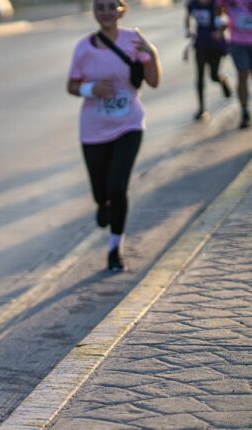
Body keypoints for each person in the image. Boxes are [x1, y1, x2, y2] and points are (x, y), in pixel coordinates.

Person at [66, 0, 162, 271]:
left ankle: (114, 249)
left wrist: (152, 55)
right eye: (100, 7)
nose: (105, 12)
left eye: (111, 6)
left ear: (122, 10)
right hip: (93, 130)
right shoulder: (84, 47)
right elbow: (71, 85)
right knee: (101, 192)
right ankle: (102, 204)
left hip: (129, 125)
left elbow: (153, 82)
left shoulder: (135, 40)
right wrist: (91, 89)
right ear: (94, 12)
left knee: (118, 187)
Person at [185, 0, 233, 120]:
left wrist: (220, 31)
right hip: (201, 43)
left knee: (213, 76)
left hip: (215, 44)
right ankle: (201, 109)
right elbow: (187, 17)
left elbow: (225, 21)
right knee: (199, 76)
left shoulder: (215, 4)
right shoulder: (192, 4)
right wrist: (188, 30)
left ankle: (222, 80)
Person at [218, 0, 252, 128]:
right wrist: (220, 26)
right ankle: (245, 111)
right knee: (242, 75)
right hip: (238, 42)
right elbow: (218, 8)